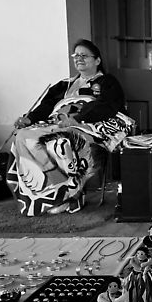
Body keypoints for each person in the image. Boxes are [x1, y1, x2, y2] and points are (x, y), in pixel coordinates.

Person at [7, 39, 134, 216]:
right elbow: (47, 106)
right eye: (76, 55)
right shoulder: (64, 85)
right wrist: (29, 119)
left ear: (97, 61)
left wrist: (77, 118)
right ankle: (46, 196)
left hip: (89, 125)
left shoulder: (106, 82)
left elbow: (108, 106)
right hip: (59, 123)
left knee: (62, 142)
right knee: (22, 136)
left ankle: (70, 197)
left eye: (84, 55)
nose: (79, 58)